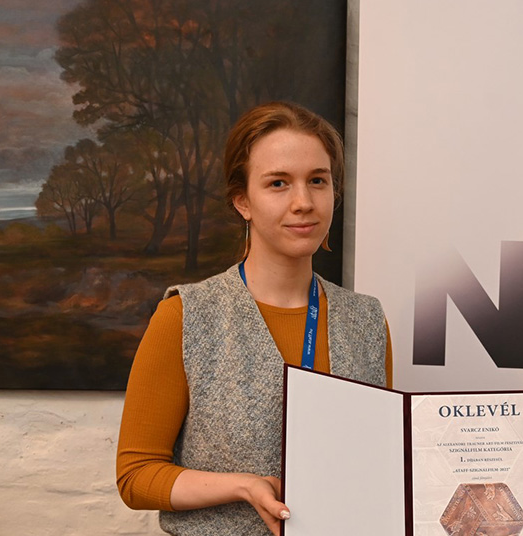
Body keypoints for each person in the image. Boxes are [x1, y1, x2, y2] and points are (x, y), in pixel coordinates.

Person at [116, 101, 392, 536]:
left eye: (317, 181)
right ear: (242, 201)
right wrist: (243, 487)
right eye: (278, 183)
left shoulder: (367, 321)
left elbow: (382, 464)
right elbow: (136, 476)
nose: (303, 202)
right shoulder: (185, 316)